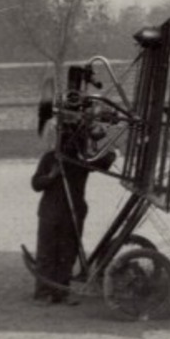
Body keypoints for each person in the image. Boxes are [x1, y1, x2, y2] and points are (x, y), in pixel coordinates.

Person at [31, 122, 117, 305]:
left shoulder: (82, 159)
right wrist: (51, 176)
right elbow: (36, 184)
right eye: (66, 139)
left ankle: (62, 292)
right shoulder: (50, 158)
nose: (69, 143)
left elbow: (107, 159)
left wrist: (96, 140)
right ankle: (43, 292)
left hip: (73, 212)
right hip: (50, 213)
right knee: (46, 253)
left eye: (75, 139)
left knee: (68, 253)